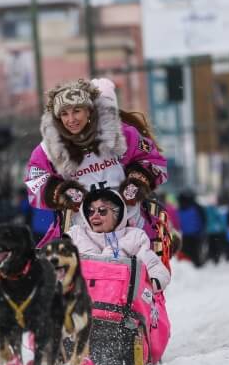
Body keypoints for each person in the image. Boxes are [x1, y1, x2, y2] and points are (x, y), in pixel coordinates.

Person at [24, 78, 169, 250]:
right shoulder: (49, 148)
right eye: (64, 114)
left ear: (89, 111)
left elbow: (154, 161)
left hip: (132, 229)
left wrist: (138, 180)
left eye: (76, 111)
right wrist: (60, 192)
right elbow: (35, 183)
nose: (71, 119)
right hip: (81, 235)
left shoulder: (119, 134)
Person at [66, 187, 170, 292]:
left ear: (117, 214)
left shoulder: (133, 237)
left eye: (102, 211)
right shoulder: (76, 235)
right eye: (90, 211)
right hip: (82, 301)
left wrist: (149, 284)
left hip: (122, 302)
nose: (95, 216)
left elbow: (155, 267)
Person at [176, 190, 206, 267]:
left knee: (186, 250)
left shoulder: (180, 207)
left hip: (185, 233)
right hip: (196, 233)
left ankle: (187, 265)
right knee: (196, 250)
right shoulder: (197, 206)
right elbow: (203, 220)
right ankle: (196, 265)